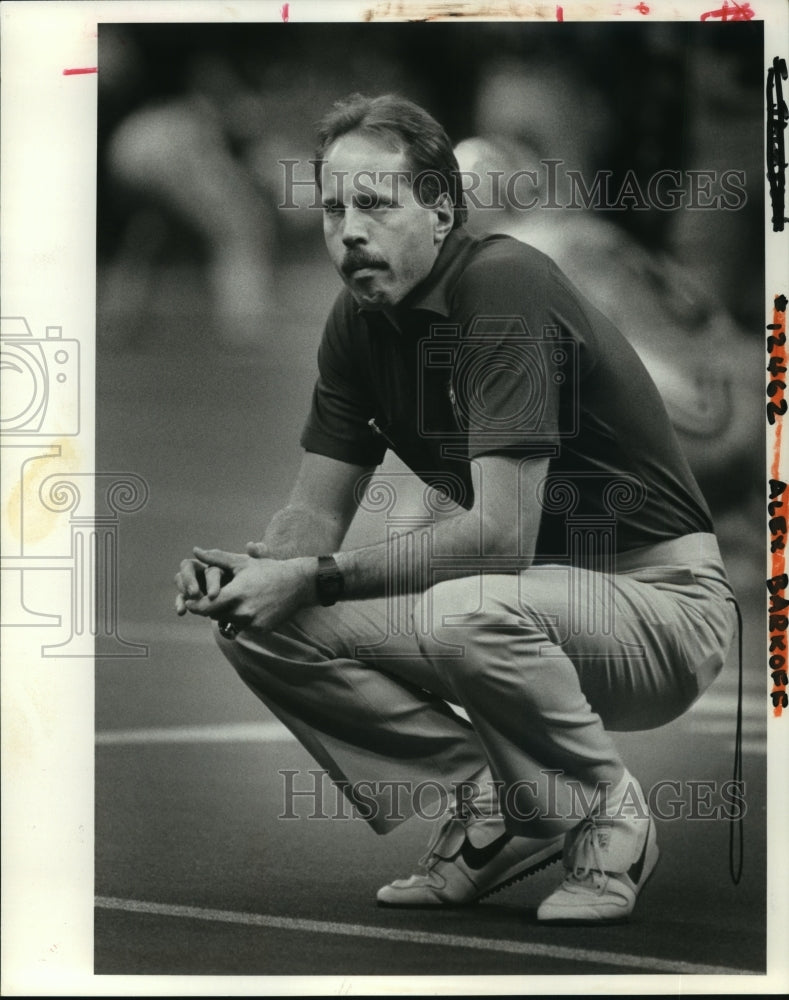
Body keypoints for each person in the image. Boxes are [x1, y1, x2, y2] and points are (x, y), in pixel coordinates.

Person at [174, 93, 736, 923]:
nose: (348, 231)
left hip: (662, 610)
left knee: (463, 606)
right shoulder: (359, 322)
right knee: (259, 620)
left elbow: (500, 537)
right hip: (526, 604)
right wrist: (258, 570)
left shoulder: (501, 283)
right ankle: (498, 803)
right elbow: (311, 520)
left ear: (441, 210)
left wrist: (315, 576)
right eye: (333, 209)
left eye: (373, 204)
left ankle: (608, 816)